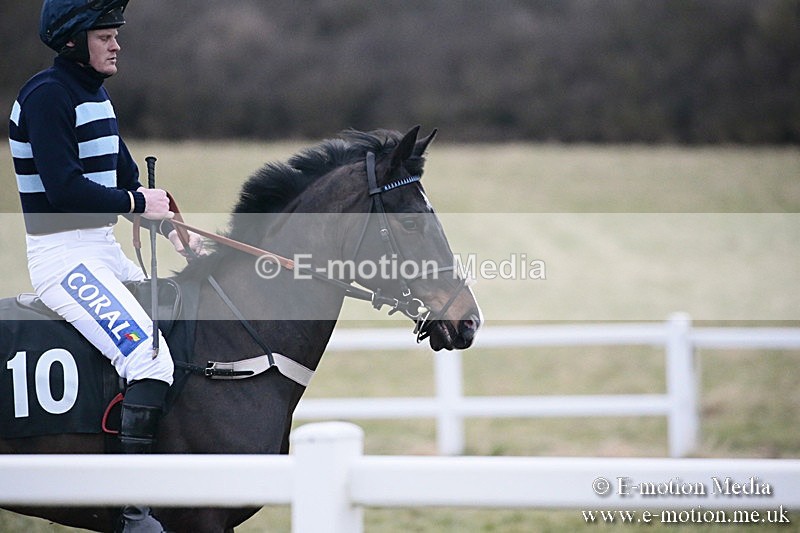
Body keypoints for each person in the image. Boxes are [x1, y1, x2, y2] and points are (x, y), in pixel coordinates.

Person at [9, 1, 203, 531]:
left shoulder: (95, 94)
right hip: (61, 259)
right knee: (149, 361)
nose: (116, 43)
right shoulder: (47, 96)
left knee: (177, 326)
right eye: (104, 35)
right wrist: (139, 204)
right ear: (74, 41)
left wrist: (167, 222)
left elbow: (122, 176)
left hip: (100, 250)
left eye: (115, 33)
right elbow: (66, 189)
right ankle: (130, 508)